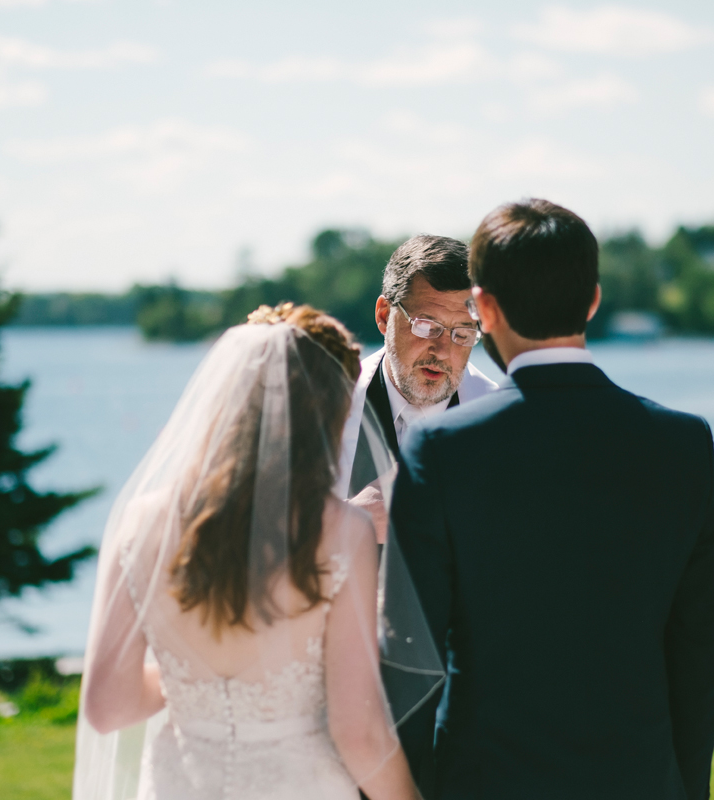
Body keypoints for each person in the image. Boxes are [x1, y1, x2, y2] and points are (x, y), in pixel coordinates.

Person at [385, 199, 714, 799]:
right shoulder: (683, 444)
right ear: (593, 299)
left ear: (484, 309)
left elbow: (409, 656)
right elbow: (701, 652)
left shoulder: (442, 451)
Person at [74, 303, 443, 800]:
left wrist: (196, 682)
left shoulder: (144, 521)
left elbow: (107, 706)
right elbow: (358, 732)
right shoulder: (340, 532)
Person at [337, 235, 497, 540]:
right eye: (426, 325)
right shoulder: (320, 410)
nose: (442, 350)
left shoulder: (503, 427)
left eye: (463, 333)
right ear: (384, 316)